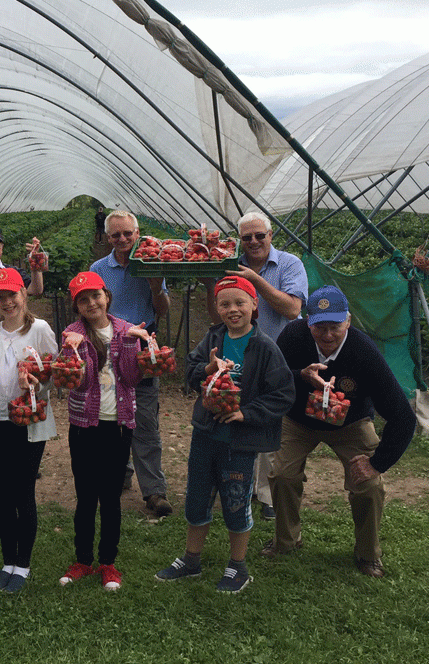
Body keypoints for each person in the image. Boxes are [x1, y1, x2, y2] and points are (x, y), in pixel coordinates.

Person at [265, 285, 416, 577]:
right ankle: (286, 541)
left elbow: (403, 417)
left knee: (369, 485)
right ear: (307, 323)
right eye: (319, 327)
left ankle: (368, 554)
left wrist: (377, 463)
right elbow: (271, 377)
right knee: (282, 474)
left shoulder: (364, 352)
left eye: (335, 326)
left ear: (348, 321)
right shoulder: (293, 337)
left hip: (351, 423)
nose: (327, 335)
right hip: (298, 421)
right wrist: (299, 377)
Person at [155, 276, 292, 593]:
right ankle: (191, 560)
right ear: (216, 307)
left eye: (240, 302)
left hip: (239, 442)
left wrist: (246, 412)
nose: (233, 309)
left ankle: (238, 566)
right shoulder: (212, 337)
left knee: (235, 502)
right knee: (196, 497)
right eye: (225, 303)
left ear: (254, 305)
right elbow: (189, 371)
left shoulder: (265, 347)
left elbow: (283, 393)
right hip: (206, 433)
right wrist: (207, 368)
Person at [205, 210, 308, 520]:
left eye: (259, 235)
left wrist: (255, 281)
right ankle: (243, 487)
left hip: (282, 355)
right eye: (246, 237)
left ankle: (270, 495)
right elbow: (218, 313)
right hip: (242, 355)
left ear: (270, 236)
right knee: (242, 417)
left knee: (275, 422)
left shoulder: (289, 263)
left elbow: (292, 309)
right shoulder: (229, 264)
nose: (253, 242)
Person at [56, 272, 148, 592]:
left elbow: (131, 376)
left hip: (119, 425)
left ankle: (108, 562)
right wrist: (73, 351)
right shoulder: (72, 333)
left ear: (106, 296)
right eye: (83, 299)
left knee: (110, 497)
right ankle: (83, 559)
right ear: (77, 307)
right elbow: (78, 381)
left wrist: (131, 341)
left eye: (95, 295)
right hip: (85, 426)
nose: (91, 303)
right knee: (86, 496)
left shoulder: (126, 328)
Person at [0, 267, 58, 593]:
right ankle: (7, 561)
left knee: (23, 491)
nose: (7, 302)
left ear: (24, 294)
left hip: (28, 421)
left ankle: (22, 566)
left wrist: (36, 382)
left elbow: (54, 375)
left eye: (12, 294)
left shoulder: (39, 329)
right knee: (3, 493)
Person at [89, 210, 173, 516]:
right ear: (107, 237)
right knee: (110, 414)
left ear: (137, 234)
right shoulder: (99, 269)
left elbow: (162, 309)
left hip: (141, 344)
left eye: (128, 234)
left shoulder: (151, 262)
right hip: (108, 344)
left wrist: (154, 285)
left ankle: (154, 491)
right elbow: (90, 308)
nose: (122, 240)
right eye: (116, 235)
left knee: (145, 417)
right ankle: (118, 475)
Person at [0, 227, 44, 317]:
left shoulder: (13, 272)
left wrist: (36, 266)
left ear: (2, 249)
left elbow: (36, 290)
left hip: (7, 328)